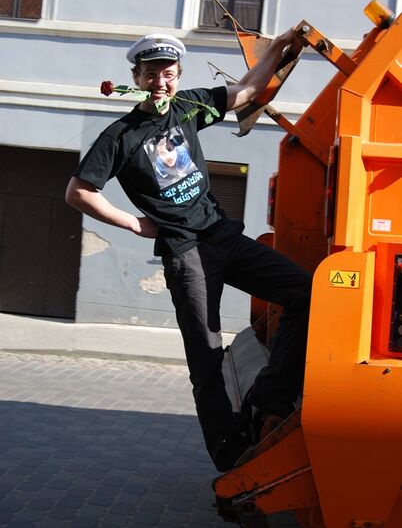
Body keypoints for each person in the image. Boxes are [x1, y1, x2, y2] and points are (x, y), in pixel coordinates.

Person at [65, 32, 311, 472]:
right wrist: (135, 223)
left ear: (178, 75)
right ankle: (231, 454)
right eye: (151, 74)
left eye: (169, 73)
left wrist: (280, 45)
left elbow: (248, 89)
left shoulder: (190, 106)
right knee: (206, 356)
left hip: (222, 235)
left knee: (305, 292)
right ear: (136, 77)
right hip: (185, 253)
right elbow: (78, 192)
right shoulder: (119, 136)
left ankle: (270, 395)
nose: (160, 82)